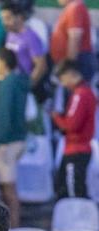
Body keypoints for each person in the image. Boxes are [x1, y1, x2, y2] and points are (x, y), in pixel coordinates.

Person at [0, 48, 28, 227]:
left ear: (3, 62)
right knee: (5, 187)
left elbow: (4, 115)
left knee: (8, 188)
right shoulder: (20, 81)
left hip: (7, 141)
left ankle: (13, 226)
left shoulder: (7, 83)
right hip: (18, 137)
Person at [52, 60, 96, 200]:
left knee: (74, 192)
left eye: (62, 79)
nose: (63, 84)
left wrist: (56, 117)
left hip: (76, 149)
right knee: (70, 188)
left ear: (70, 74)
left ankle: (77, 220)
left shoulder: (80, 94)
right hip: (78, 149)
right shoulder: (85, 92)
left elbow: (71, 125)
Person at [0, 3, 47, 100]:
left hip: (23, 87)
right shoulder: (10, 34)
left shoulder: (31, 37)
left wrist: (27, 86)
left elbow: (41, 66)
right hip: (11, 85)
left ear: (19, 17)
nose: (4, 22)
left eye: (8, 18)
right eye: (3, 19)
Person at [51, 0, 95, 83]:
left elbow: (75, 37)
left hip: (77, 62)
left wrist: (68, 65)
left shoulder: (75, 7)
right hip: (74, 61)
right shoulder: (72, 8)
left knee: (77, 94)